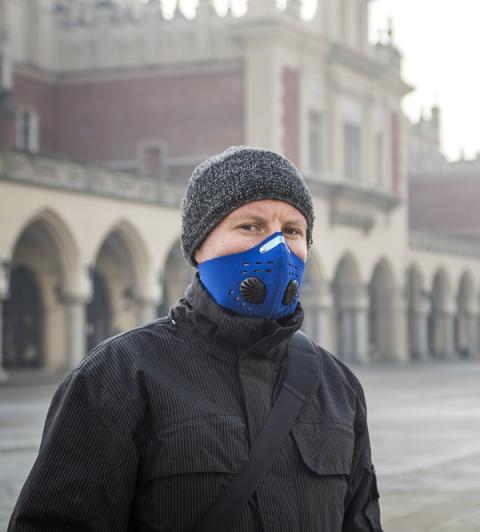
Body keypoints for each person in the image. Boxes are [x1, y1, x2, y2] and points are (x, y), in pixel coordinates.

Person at [9, 147, 382, 531]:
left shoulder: (338, 386)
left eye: (291, 230)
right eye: (250, 226)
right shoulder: (119, 376)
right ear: (199, 244)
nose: (277, 250)